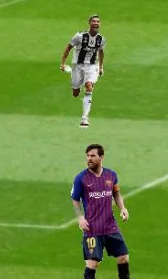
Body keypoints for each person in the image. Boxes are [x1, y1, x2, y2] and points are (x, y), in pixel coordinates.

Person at [71, 143, 130, 279]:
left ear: (101, 157)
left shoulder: (111, 175)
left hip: (111, 227)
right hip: (92, 229)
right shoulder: (81, 178)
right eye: (87, 156)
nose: (89, 159)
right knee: (92, 264)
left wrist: (122, 208)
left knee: (123, 258)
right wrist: (80, 218)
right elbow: (75, 199)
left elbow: (116, 193)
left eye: (93, 156)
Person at [60, 15, 105, 128]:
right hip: (77, 66)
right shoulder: (80, 36)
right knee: (75, 92)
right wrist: (63, 63)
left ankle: (85, 118)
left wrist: (101, 67)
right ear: (89, 23)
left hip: (91, 66)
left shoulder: (101, 39)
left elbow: (101, 52)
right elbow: (68, 47)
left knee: (89, 86)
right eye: (93, 21)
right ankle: (76, 88)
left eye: (98, 21)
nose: (96, 23)